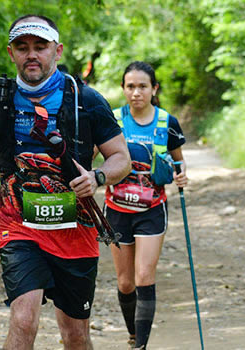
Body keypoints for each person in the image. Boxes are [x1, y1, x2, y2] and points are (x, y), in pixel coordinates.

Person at [0, 14, 131, 350]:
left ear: (57, 50)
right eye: (22, 47)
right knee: (23, 320)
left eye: (40, 47)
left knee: (74, 334)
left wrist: (96, 176)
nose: (32, 54)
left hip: (76, 229)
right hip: (19, 225)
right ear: (10, 52)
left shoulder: (87, 101)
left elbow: (121, 159)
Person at [102, 61, 187, 349]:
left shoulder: (166, 121)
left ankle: (142, 346)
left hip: (152, 209)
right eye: (130, 86)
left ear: (154, 89)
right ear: (123, 89)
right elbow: (91, 156)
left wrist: (181, 174)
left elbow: (177, 159)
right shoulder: (111, 120)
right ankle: (133, 334)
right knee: (125, 283)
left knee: (143, 276)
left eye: (142, 86)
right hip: (116, 210)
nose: (136, 92)